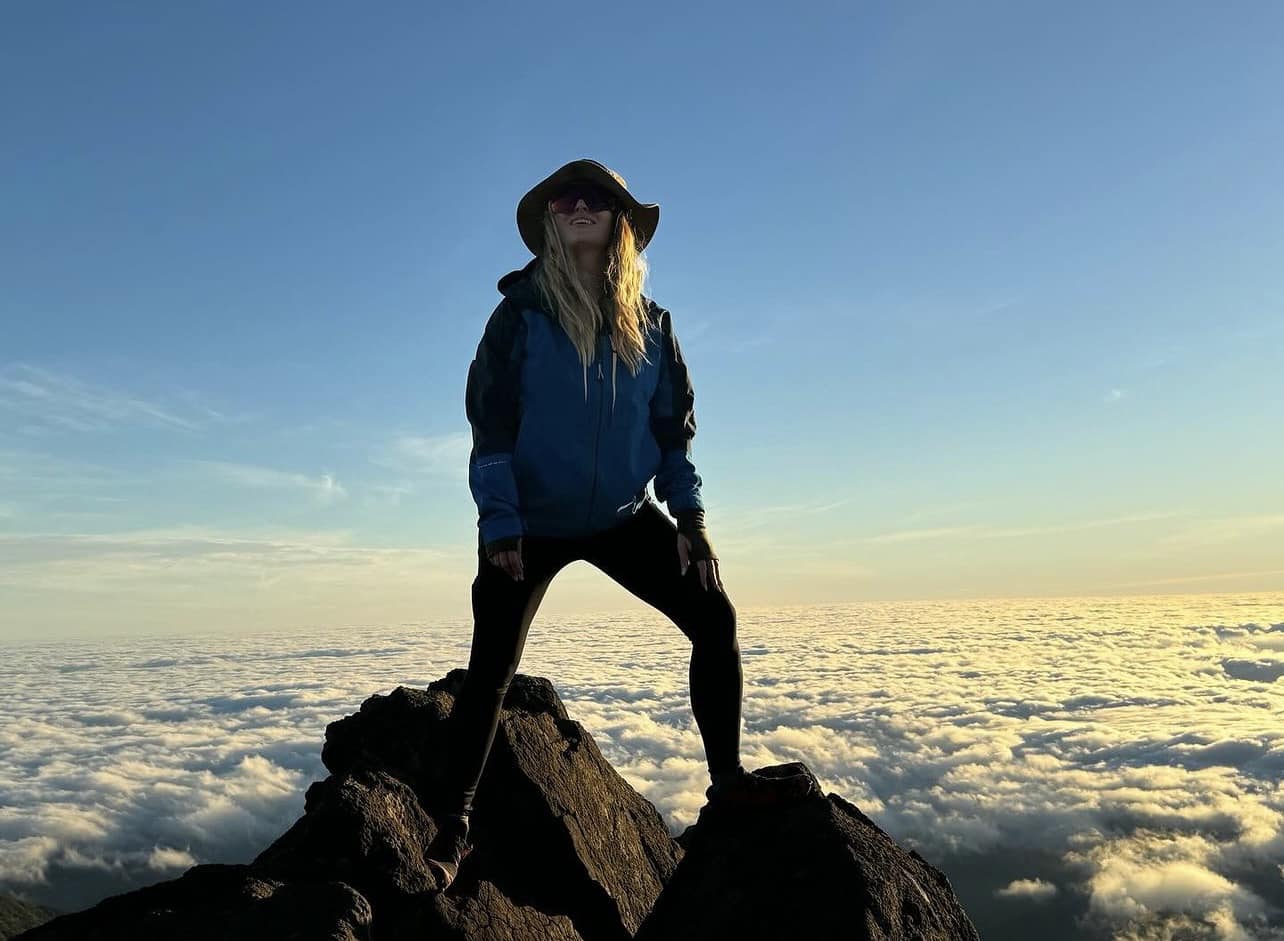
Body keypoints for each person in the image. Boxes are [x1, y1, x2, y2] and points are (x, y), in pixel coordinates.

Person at [424, 158, 814, 891]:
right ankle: (453, 826)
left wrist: (691, 519)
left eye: (598, 198)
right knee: (491, 669)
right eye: (565, 199)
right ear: (549, 221)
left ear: (621, 222)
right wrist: (500, 523)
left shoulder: (652, 326)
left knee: (714, 617)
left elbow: (673, 436)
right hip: (528, 524)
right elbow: (491, 427)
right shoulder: (519, 317)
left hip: (621, 517)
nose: (580, 206)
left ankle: (727, 783)